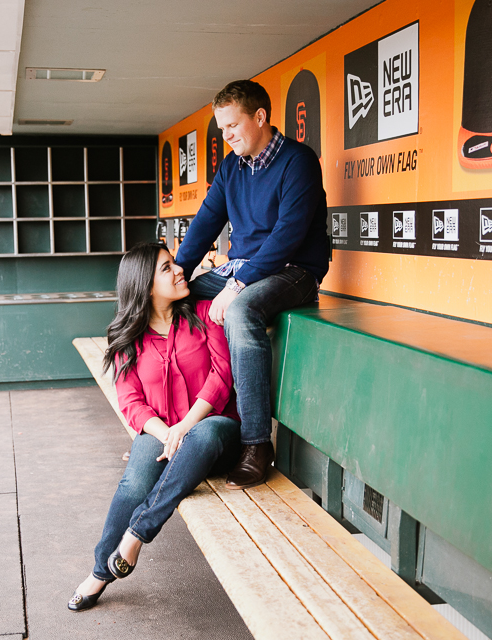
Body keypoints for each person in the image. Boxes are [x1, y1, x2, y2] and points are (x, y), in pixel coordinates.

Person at [68, 242, 240, 612]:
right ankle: (100, 572)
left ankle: (138, 532)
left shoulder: (206, 313)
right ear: (145, 286)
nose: (180, 270)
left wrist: (184, 428)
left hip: (215, 434)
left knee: (203, 434)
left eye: (175, 263)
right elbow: (131, 403)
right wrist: (165, 433)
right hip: (165, 438)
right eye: (167, 268)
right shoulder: (127, 340)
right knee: (135, 477)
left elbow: (222, 376)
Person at [175, 79, 329, 490]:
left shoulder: (298, 161)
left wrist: (238, 283)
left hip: (294, 270)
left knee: (241, 312)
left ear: (260, 117)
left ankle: (256, 443)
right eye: (221, 129)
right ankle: (184, 418)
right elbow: (207, 221)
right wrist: (172, 275)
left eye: (232, 126)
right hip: (244, 268)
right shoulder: (231, 168)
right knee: (177, 301)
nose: (226, 137)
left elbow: (288, 236)